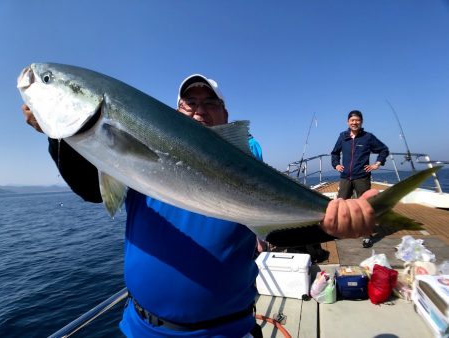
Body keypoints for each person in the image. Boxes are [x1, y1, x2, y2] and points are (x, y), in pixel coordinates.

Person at [22, 75, 378, 338]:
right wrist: (59, 136)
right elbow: (93, 190)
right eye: (189, 104)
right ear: (176, 111)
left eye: (210, 104)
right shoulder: (133, 158)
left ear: (225, 114)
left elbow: (276, 224)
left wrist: (332, 222)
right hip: (142, 329)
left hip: (227, 331)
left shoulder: (246, 161)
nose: (199, 111)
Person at [331, 110, 389, 248]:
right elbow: (334, 153)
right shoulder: (342, 137)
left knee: (365, 207)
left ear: (361, 122)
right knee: (340, 205)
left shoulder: (368, 137)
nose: (354, 122)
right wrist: (336, 164)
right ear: (347, 122)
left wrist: (377, 164)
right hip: (345, 177)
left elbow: (384, 150)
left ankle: (367, 236)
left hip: (362, 177)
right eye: (352, 120)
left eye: (357, 120)